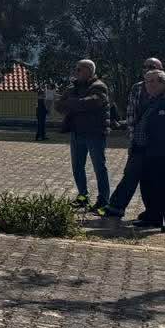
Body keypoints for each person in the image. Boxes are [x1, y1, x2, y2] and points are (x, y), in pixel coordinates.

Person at [104, 58, 165, 223]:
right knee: (131, 173)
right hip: (139, 141)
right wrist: (133, 137)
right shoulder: (137, 88)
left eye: (152, 66)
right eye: (145, 67)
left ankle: (154, 214)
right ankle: (117, 207)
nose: (147, 69)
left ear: (161, 69)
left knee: (152, 179)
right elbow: (131, 114)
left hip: (158, 145)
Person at [56, 59, 111, 213]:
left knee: (99, 167)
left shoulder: (99, 86)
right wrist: (78, 104)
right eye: (76, 69)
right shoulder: (72, 87)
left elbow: (91, 103)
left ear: (89, 70)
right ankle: (82, 196)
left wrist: (72, 103)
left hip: (94, 134)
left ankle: (103, 200)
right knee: (77, 167)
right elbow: (58, 105)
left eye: (79, 69)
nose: (76, 72)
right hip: (76, 133)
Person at [137, 70, 165, 232]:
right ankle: (153, 217)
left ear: (162, 83)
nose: (148, 85)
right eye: (146, 81)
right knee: (149, 186)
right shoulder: (152, 99)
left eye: (152, 81)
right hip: (149, 151)